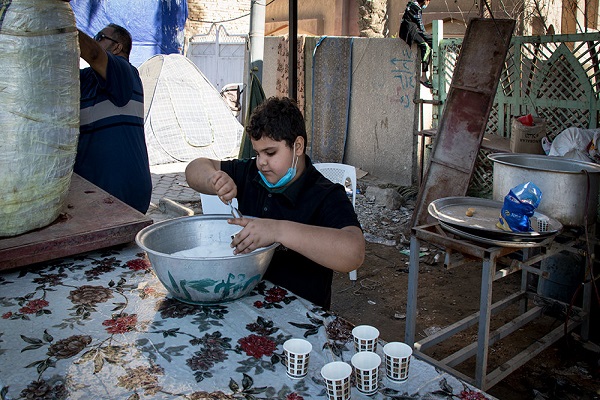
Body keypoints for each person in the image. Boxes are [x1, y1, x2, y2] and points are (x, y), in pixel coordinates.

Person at [185, 97, 365, 309]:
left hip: (302, 315)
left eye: (270, 153)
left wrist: (278, 231)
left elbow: (354, 253)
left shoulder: (325, 194)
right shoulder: (251, 173)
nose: (261, 162)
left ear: (298, 146)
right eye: (257, 153)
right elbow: (194, 168)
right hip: (247, 302)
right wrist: (213, 179)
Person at [74, 23, 152, 214]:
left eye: (100, 36)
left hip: (119, 195)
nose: (94, 40)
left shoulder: (124, 71)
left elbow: (93, 54)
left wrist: (62, 25)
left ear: (117, 47)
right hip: (91, 193)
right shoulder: (87, 79)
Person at [399, 0, 433, 89]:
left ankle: (428, 75)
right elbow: (419, 24)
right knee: (426, 47)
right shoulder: (415, 8)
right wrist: (425, 34)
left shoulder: (412, 5)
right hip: (410, 31)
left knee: (429, 43)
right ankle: (424, 76)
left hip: (410, 30)